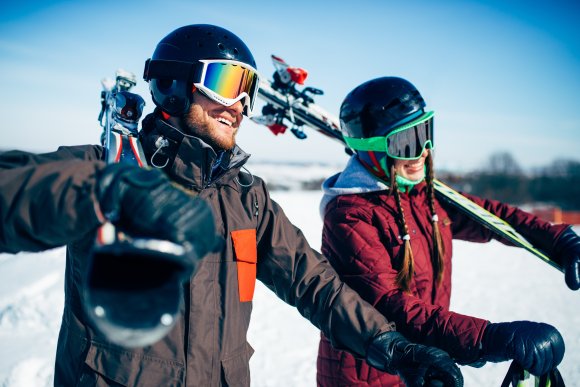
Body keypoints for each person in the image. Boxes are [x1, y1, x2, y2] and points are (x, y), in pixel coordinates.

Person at [0, 25, 465, 387]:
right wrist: (104, 192)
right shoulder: (105, 167)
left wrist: (389, 345)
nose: (240, 104)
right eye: (227, 83)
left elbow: (316, 285)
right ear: (175, 84)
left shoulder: (247, 199)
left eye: (250, 89)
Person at [316, 76, 576, 386]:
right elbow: (388, 306)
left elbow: (489, 216)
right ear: (373, 150)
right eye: (407, 142)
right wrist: (489, 338)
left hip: (421, 364)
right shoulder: (349, 216)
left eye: (426, 133)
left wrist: (558, 239)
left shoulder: (421, 194)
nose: (423, 151)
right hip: (367, 375)